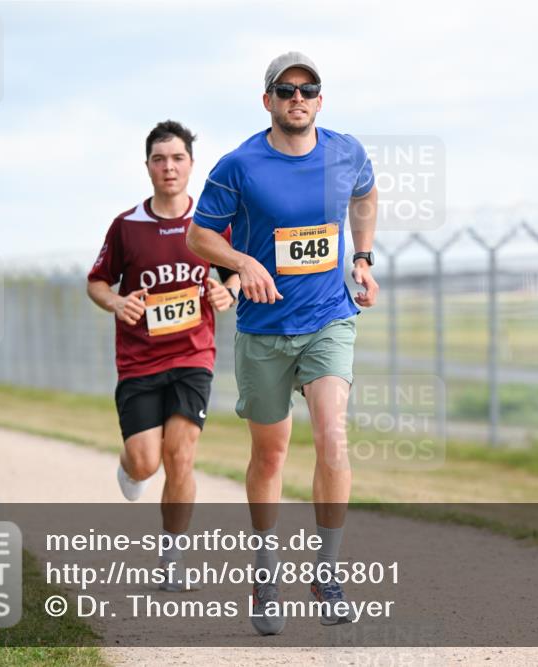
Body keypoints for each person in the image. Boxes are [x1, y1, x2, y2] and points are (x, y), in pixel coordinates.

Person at [187, 52, 378, 634]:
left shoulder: (346, 151)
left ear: (320, 99)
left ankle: (328, 571)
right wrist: (241, 259)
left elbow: (365, 194)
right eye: (285, 89)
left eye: (308, 89)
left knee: (332, 437)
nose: (297, 98)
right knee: (270, 454)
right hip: (264, 329)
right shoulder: (238, 165)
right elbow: (198, 235)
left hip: (328, 318)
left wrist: (364, 257)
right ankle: (265, 571)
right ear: (267, 100)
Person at [88, 120, 240, 591]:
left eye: (177, 158)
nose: (168, 167)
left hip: (194, 356)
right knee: (146, 462)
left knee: (182, 457)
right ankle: (130, 465)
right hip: (139, 362)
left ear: (191, 165)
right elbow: (97, 282)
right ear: (148, 166)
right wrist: (117, 301)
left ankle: (173, 558)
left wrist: (228, 291)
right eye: (159, 159)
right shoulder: (127, 226)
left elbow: (239, 270)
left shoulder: (212, 225)